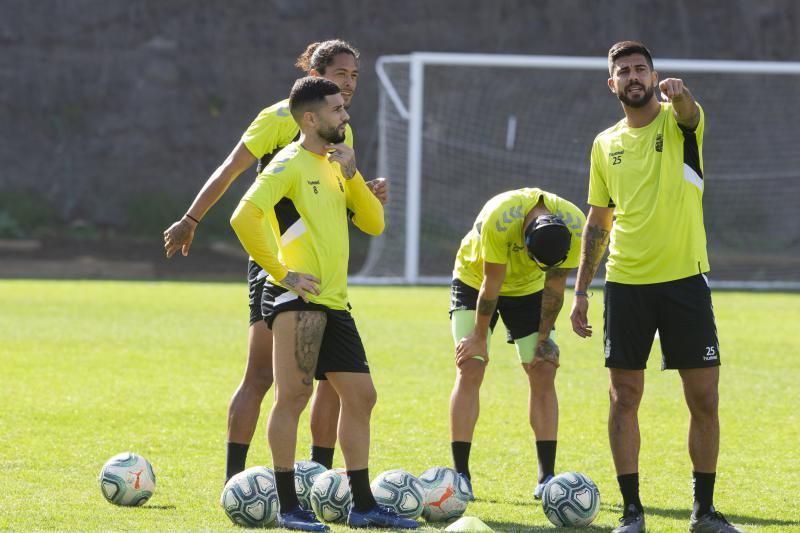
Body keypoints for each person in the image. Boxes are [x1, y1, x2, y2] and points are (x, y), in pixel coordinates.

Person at [162, 40, 386, 482]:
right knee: (263, 375)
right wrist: (191, 218)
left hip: (322, 268)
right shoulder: (279, 118)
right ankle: (236, 481)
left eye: (355, 76)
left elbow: (328, 197)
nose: (349, 83)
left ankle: (320, 479)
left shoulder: (342, 126)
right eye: (341, 74)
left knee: (335, 382)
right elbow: (231, 170)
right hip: (275, 264)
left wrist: (362, 190)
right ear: (317, 72)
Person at [569, 41, 744, 533]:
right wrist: (581, 290)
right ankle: (632, 512)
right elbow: (597, 220)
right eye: (623, 71)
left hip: (685, 279)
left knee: (704, 398)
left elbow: (689, 112)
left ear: (654, 75)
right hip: (625, 284)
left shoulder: (680, 120)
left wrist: (681, 95)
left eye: (640, 68)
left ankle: (703, 512)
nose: (633, 76)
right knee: (624, 396)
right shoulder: (605, 144)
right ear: (612, 84)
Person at [230, 76, 418, 531]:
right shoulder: (289, 163)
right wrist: (282, 273)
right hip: (298, 301)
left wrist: (353, 176)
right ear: (311, 118)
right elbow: (244, 216)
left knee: (362, 396)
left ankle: (363, 506)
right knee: (293, 397)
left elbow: (373, 224)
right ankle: (289, 506)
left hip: (335, 303)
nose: (346, 115)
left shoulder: (337, 164)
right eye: (337, 110)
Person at [449, 187, 585, 501]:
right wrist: (479, 339)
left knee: (543, 368)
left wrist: (543, 339)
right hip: (475, 280)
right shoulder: (500, 217)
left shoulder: (574, 226)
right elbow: (490, 284)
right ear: (525, 243)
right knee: (470, 365)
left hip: (528, 290)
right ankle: (461, 476)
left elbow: (553, 287)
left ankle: (546, 476)